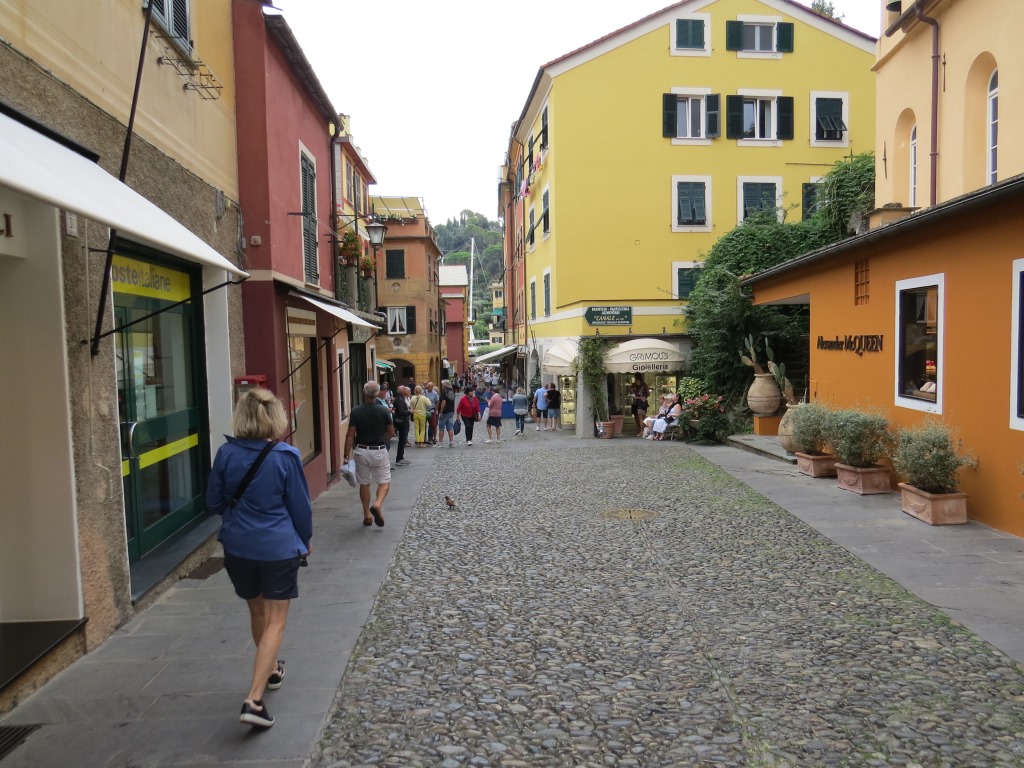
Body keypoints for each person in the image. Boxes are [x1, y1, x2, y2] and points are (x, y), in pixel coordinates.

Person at [206, 388, 312, 730]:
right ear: (276, 417)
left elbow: (213, 502)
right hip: (278, 548)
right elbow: (300, 508)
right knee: (276, 620)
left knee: (257, 611)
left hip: (238, 547)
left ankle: (272, 669)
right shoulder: (286, 456)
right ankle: (254, 698)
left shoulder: (226, 453)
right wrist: (305, 540)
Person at [344, 381, 395, 528]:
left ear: (364, 393)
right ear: (377, 394)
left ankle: (367, 515)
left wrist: (346, 455)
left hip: (361, 450)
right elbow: (391, 431)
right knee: (384, 481)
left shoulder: (356, 411)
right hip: (378, 449)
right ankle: (377, 504)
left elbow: (350, 435)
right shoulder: (383, 411)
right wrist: (384, 441)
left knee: (365, 483)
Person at [392, 385, 411, 466]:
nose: (406, 390)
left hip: (402, 421)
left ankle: (401, 458)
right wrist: (409, 412)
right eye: (404, 389)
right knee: (402, 439)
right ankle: (399, 458)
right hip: (402, 422)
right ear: (402, 391)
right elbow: (401, 411)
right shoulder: (399, 399)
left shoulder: (400, 398)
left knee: (403, 440)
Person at [436, 379, 457, 447]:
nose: (442, 385)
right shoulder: (452, 392)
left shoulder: (444, 392)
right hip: (451, 411)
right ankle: (451, 442)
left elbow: (443, 402)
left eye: (442, 384)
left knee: (441, 428)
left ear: (445, 385)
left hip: (445, 412)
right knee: (450, 428)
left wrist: (441, 411)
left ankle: (441, 443)